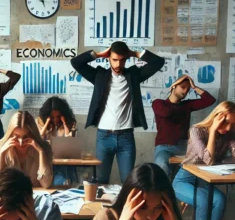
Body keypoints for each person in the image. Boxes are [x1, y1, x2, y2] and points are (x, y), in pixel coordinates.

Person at [70, 42, 165, 183]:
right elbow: (76, 62)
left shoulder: (134, 75)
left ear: (126, 59)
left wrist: (134, 53)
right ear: (109, 58)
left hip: (126, 137)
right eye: (114, 60)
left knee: (128, 181)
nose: (118, 64)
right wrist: (98, 54)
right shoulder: (99, 76)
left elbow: (158, 62)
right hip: (104, 136)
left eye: (122, 60)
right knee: (101, 180)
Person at [152, 75, 216, 178]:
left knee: (189, 173)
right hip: (164, 147)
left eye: (188, 89)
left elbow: (210, 100)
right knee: (161, 167)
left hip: (184, 147)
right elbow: (166, 113)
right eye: (182, 87)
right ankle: (162, 193)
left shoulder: (187, 105)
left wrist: (195, 87)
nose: (185, 91)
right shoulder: (158, 103)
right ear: (173, 86)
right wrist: (182, 107)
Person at [0, 111, 54, 188]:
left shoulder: (44, 148)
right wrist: (1, 154)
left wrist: (41, 153)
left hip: (35, 195)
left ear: (33, 135)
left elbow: (46, 184)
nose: (21, 142)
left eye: (26, 137)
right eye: (16, 137)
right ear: (10, 135)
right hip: (10, 196)